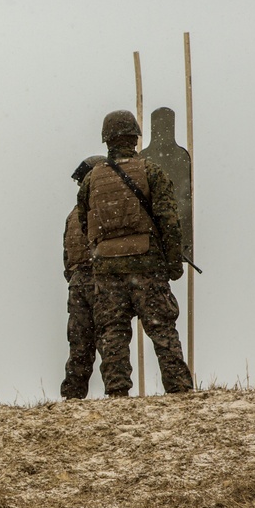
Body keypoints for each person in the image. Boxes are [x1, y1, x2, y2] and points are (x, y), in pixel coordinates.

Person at [76, 110, 193, 397]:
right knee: (162, 328)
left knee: (113, 331)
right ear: (135, 137)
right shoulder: (151, 172)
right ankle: (178, 389)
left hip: (107, 269)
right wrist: (173, 262)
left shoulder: (92, 179)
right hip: (147, 265)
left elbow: (83, 222)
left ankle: (117, 393)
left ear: (107, 140)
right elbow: (169, 220)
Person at [60, 155, 105, 399]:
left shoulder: (73, 215)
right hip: (101, 280)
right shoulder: (99, 210)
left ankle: (73, 395)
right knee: (109, 339)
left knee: (80, 344)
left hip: (77, 284)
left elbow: (67, 259)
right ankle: (117, 392)